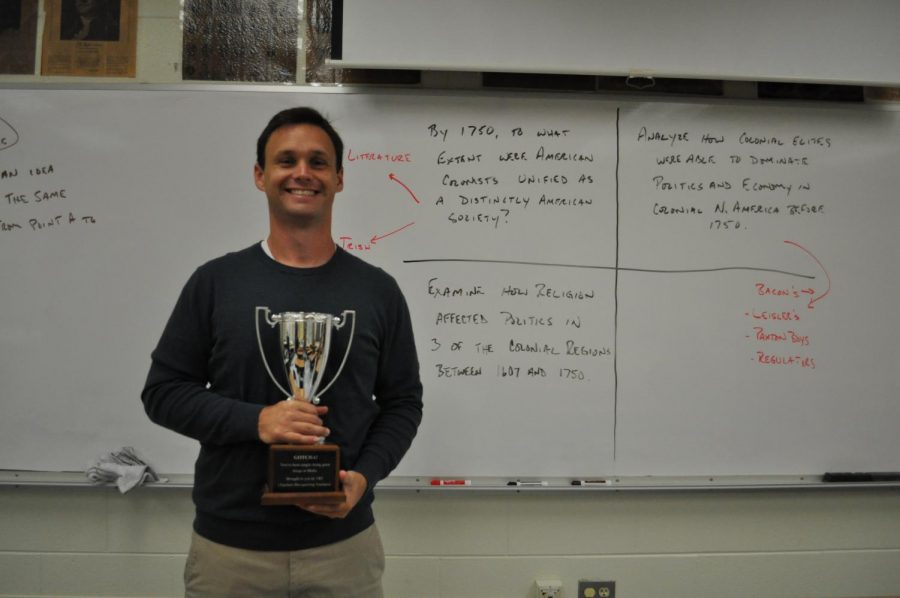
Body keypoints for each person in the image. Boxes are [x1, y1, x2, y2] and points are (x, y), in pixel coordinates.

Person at [142, 107, 423, 596]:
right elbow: (164, 393)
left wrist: (363, 478)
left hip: (344, 549)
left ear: (338, 178)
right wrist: (258, 421)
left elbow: (403, 403)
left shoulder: (378, 291)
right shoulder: (216, 283)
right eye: (286, 160)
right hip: (232, 552)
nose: (302, 173)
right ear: (260, 175)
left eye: (318, 162)